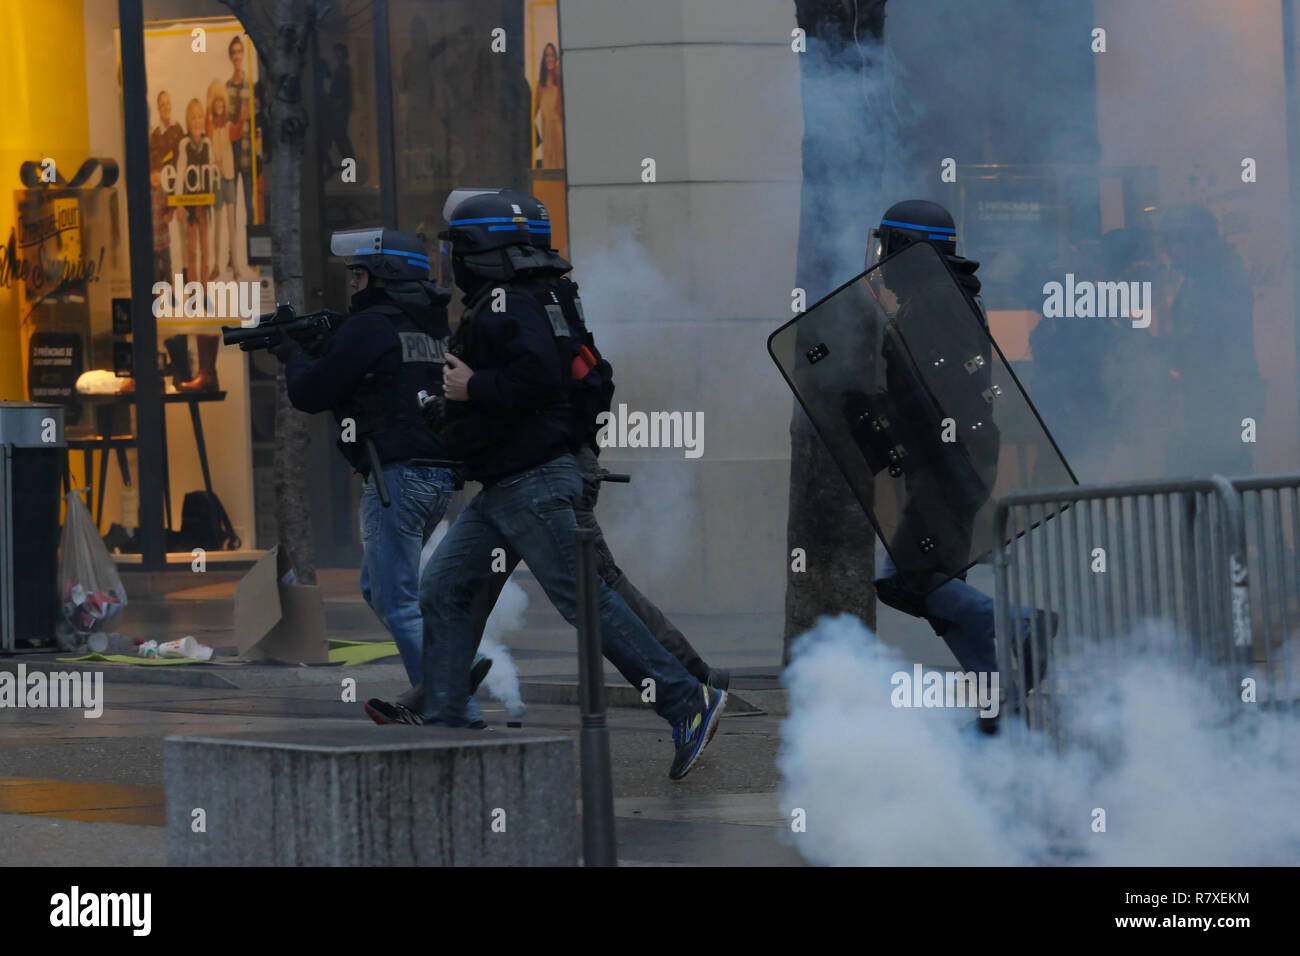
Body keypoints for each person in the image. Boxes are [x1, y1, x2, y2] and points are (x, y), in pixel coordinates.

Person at [368, 189, 729, 722]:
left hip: (533, 481)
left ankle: (686, 699)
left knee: (587, 596)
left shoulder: (509, 301)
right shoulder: (539, 296)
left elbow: (540, 380)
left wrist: (472, 387)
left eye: (458, 248)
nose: (452, 261)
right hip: (508, 485)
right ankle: (444, 714)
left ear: (477, 249)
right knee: (444, 587)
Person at [270, 228, 490, 728]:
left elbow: (311, 392)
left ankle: (451, 702)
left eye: (360, 273)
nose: (353, 283)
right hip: (433, 478)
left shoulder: (370, 326)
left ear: (385, 276)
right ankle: (447, 684)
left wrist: (292, 355)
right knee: (378, 587)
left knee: (398, 599)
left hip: (397, 476)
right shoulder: (430, 326)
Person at [862, 200, 1052, 729]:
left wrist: (879, 412)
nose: (879, 259)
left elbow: (933, 394)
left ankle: (1022, 624)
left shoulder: (932, 306)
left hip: (947, 464)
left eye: (886, 246)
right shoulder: (944, 298)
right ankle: (997, 707)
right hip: (952, 461)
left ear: (905, 249)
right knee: (941, 588)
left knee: (910, 579)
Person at [534, 43, 564, 169]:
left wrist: (558, 76)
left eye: (552, 55)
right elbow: (532, 113)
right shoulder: (540, 86)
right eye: (547, 56)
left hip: (560, 139)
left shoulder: (560, 85)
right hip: (548, 140)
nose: (549, 59)